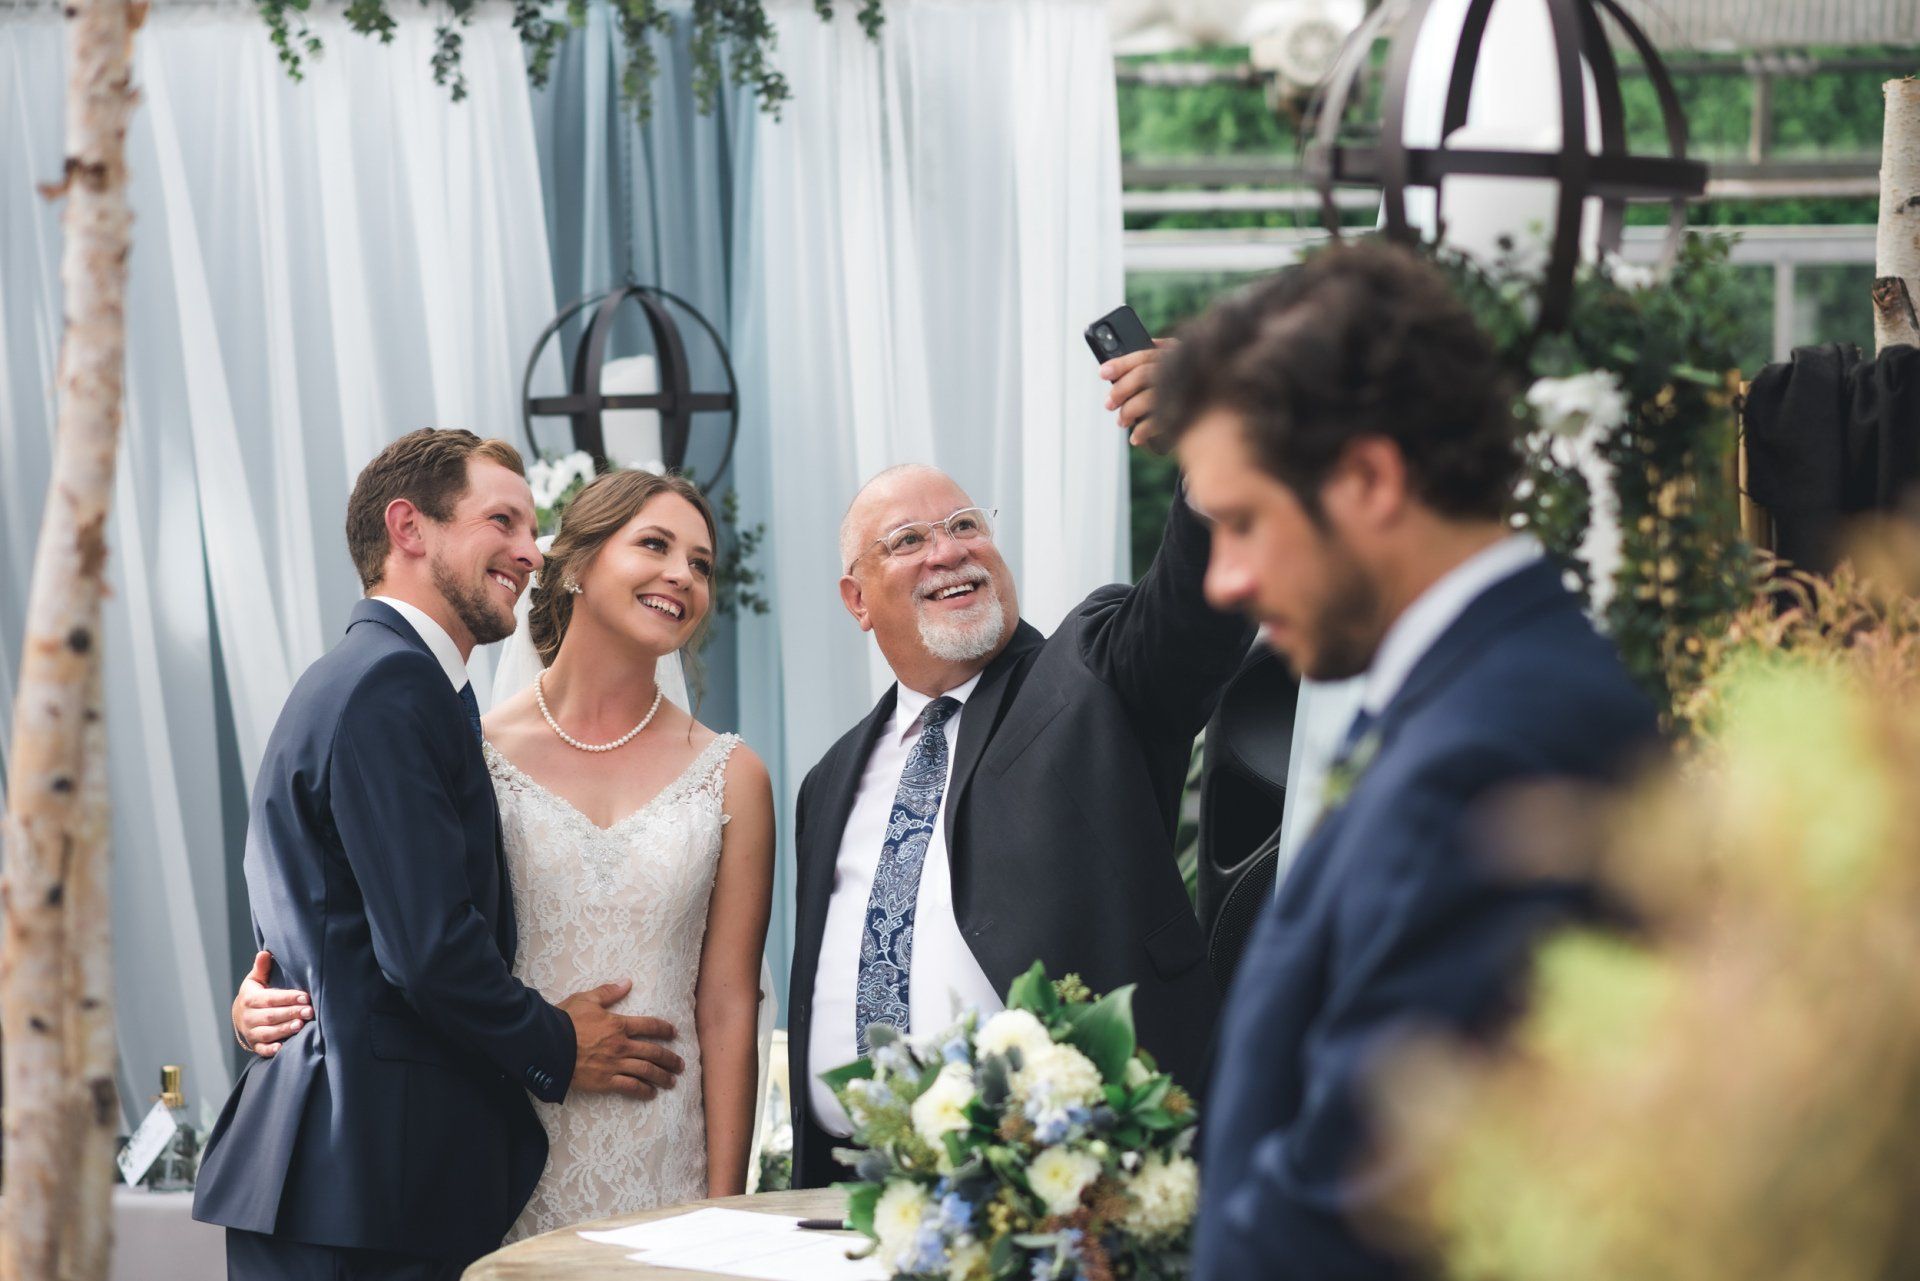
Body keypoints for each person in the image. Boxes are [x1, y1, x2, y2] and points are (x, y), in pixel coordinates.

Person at [1154, 241, 1659, 1279]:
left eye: (1243, 523)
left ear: (1371, 480)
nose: (1226, 581)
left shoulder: (1497, 747)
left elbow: (1366, 1204)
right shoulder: (1479, 690)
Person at [234, 467, 776, 1242]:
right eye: (655, 544)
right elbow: (385, 921)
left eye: (700, 563)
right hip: (500, 1143)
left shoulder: (735, 775)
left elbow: (728, 1004)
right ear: (579, 565)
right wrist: (269, 993)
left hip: (664, 1154)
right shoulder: (472, 748)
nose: (681, 575)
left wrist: (726, 1207)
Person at [786, 451, 1254, 1189]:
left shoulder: (1092, 674)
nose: (949, 550)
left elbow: (1191, 616)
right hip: (854, 1193)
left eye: (966, 525)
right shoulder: (828, 780)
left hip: (1071, 1194)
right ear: (857, 598)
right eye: (908, 540)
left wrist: (1211, 461)